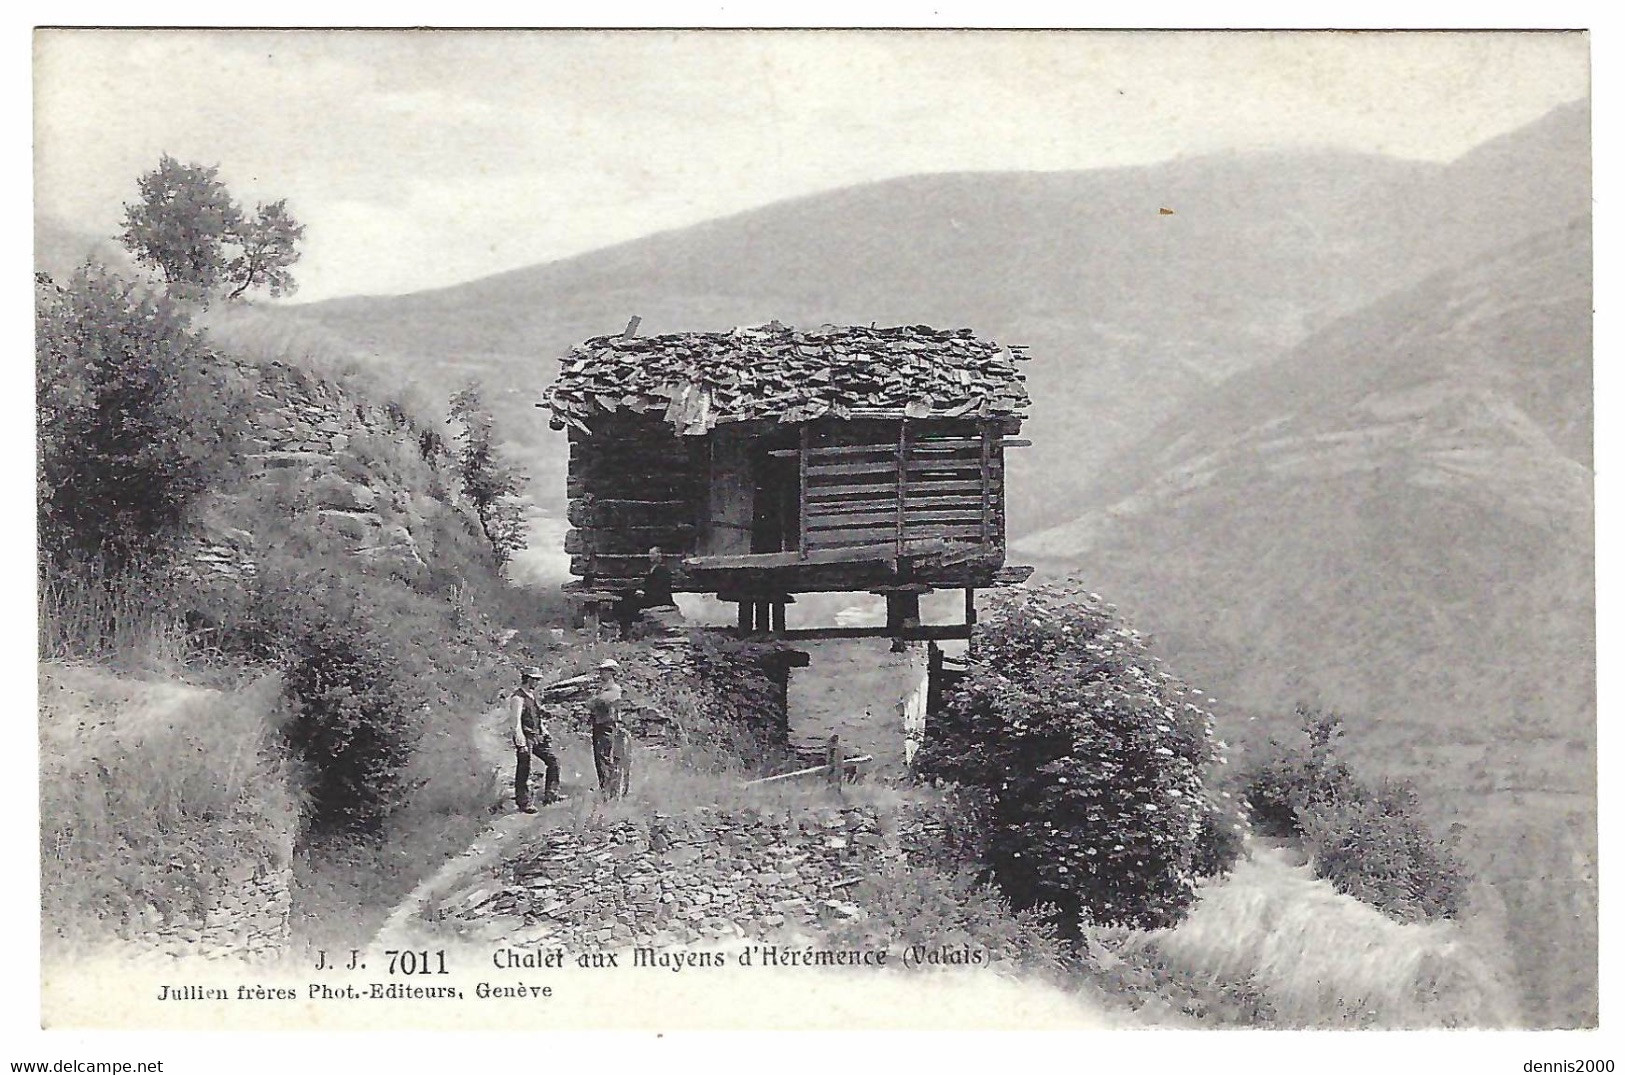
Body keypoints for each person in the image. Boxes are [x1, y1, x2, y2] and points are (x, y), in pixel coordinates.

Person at [510, 666, 561, 813]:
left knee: (554, 761)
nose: (537, 682)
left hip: (537, 735)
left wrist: (544, 730)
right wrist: (519, 738)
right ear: (528, 679)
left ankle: (551, 794)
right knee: (524, 768)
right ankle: (524, 802)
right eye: (535, 679)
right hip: (526, 736)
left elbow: (536, 717)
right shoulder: (517, 698)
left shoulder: (532, 696)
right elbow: (516, 720)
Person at [588, 657, 625, 797]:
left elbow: (601, 702)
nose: (601, 673)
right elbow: (592, 703)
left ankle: (610, 791)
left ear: (611, 672)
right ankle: (606, 788)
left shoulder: (614, 689)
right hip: (599, 725)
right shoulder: (602, 689)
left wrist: (594, 700)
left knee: (605, 758)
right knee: (600, 759)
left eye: (604, 671)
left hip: (607, 726)